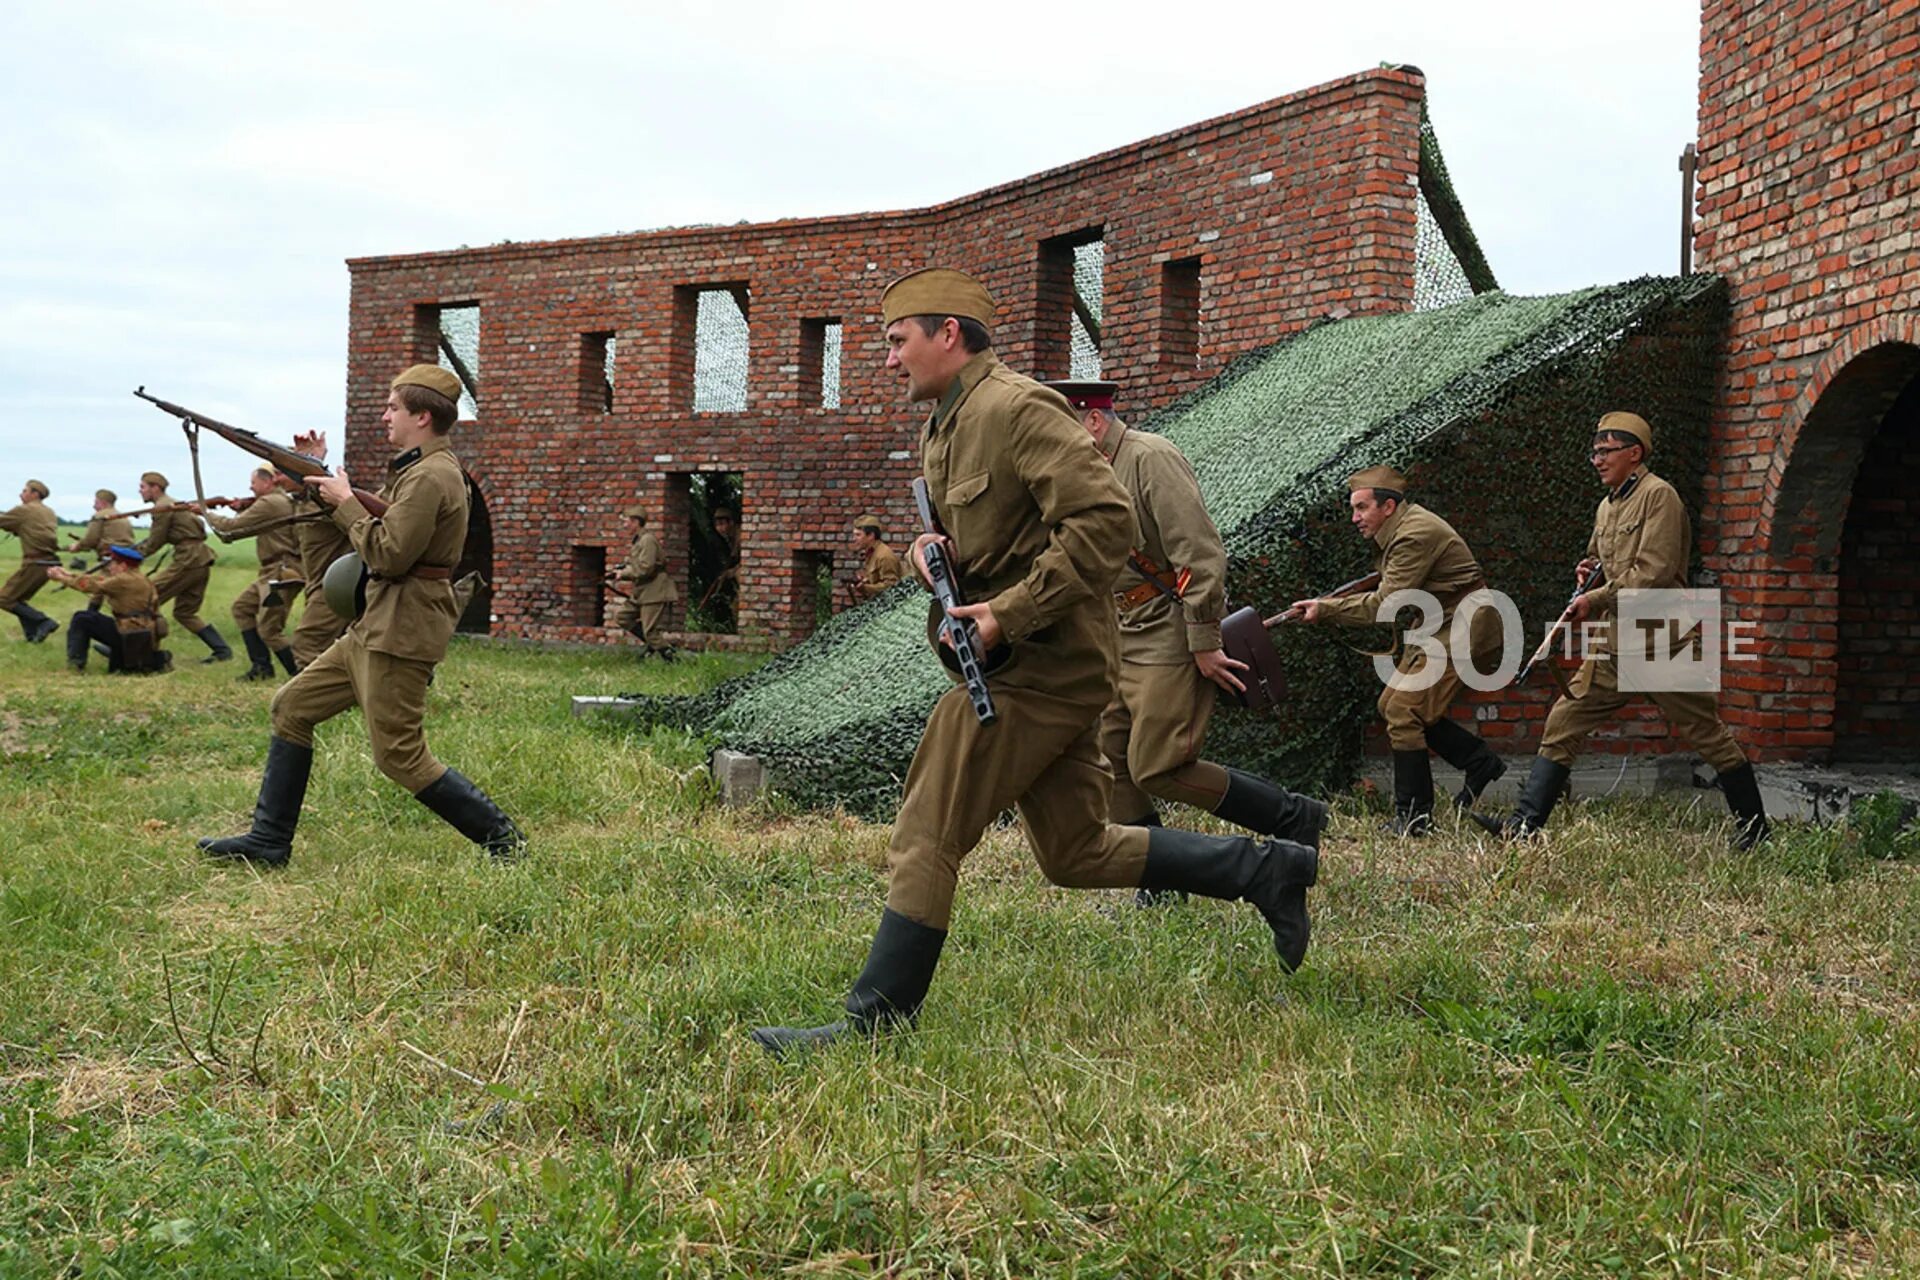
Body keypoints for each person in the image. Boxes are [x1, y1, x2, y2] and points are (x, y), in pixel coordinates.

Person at [751, 269, 1319, 1057]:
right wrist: (928, 556)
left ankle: (873, 1024)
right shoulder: (946, 424)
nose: (888, 360)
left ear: (948, 333)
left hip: (1041, 668)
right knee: (1076, 851)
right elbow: (988, 549)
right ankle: (1263, 869)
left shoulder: (1017, 407)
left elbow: (1105, 522)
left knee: (925, 832)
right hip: (1033, 663)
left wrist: (1007, 614)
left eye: (896, 341)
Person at [197, 366, 523, 867]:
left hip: (402, 629)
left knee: (400, 757)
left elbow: (388, 554)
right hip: (375, 624)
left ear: (421, 415)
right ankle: (268, 841)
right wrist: (320, 471)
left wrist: (346, 503)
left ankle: (504, 842)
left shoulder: (433, 475)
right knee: (292, 707)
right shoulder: (417, 469)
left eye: (394, 407)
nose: (385, 415)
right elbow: (386, 523)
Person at [1044, 379, 1325, 902]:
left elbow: (1199, 555)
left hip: (1166, 634)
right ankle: (1161, 877)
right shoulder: (1075, 473)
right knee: (1108, 760)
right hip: (1112, 634)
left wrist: (1202, 639)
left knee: (1159, 765)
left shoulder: (1151, 459)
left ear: (1093, 421)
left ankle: (1292, 816)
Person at [1474, 412, 1770, 848]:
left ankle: (1755, 830)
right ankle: (1524, 826)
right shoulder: (1608, 504)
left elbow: (1653, 571)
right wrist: (1589, 570)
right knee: (1564, 718)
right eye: (1594, 452)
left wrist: (1593, 599)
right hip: (1616, 640)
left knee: (1706, 733)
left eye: (1605, 451)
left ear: (1635, 453)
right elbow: (1603, 560)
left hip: (1662, 637)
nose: (1596, 459)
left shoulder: (1659, 497)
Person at [1289, 466, 1505, 835]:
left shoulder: (1412, 535)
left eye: (1361, 508)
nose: (1354, 518)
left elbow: (1384, 605)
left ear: (1388, 507)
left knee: (1405, 710)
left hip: (1465, 625)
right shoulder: (1400, 530)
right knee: (1391, 705)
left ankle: (1415, 818)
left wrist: (1325, 610)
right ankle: (1478, 762)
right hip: (1440, 622)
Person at [201, 467, 302, 681]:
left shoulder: (270, 503)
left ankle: (301, 677)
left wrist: (204, 512)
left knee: (270, 630)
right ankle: (261, 667)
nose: (250, 487)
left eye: (254, 483)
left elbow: (230, 529)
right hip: (273, 571)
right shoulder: (278, 502)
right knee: (242, 608)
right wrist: (241, 508)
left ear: (267, 483)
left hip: (280, 573)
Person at [137, 471, 231, 663]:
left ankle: (137, 649)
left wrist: (129, 557)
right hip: (200, 558)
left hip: (188, 560)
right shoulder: (174, 504)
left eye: (143, 487)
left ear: (155, 488)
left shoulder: (163, 508)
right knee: (185, 612)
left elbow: (155, 541)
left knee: (146, 599)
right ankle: (222, 650)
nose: (140, 491)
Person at [285, 430, 353, 670]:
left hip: (333, 586)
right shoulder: (302, 502)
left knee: (306, 645)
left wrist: (312, 465)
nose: (279, 478)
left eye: (284, 472)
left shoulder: (322, 499)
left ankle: (308, 705)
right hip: (319, 583)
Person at [47, 545, 168, 674]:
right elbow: (101, 580)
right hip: (142, 636)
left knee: (82, 619)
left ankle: (75, 665)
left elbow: (91, 585)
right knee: (120, 667)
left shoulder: (123, 580)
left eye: (113, 563)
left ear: (123, 566)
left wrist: (61, 578)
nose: (109, 567)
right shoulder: (141, 579)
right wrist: (68, 574)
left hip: (129, 632)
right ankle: (150, 660)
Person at [611, 503, 677, 658]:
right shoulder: (639, 540)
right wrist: (621, 570)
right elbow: (637, 564)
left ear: (635, 521)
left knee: (650, 631)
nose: (624, 524)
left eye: (626, 521)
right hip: (642, 591)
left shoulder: (647, 540)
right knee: (622, 617)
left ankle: (673, 660)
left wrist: (624, 574)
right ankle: (652, 645)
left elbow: (646, 568)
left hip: (654, 591)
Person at [0, 480, 60, 643]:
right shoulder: (49, 512)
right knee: (17, 599)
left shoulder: (25, 510)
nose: (21, 494)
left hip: (36, 562)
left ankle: (43, 622)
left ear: (35, 494)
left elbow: (3, 520)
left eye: (25, 491)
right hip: (48, 562)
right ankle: (33, 636)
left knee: (4, 598)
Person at [847, 514, 904, 603]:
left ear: (870, 536)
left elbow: (892, 587)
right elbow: (877, 579)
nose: (854, 539)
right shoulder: (871, 553)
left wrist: (865, 588)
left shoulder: (884, 556)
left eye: (858, 535)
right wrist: (864, 581)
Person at [68, 489, 134, 562]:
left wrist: (77, 546)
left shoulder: (100, 516)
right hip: (127, 556)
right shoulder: (122, 516)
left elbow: (91, 540)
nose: (93, 506)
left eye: (96, 502)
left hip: (109, 556)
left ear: (103, 503)